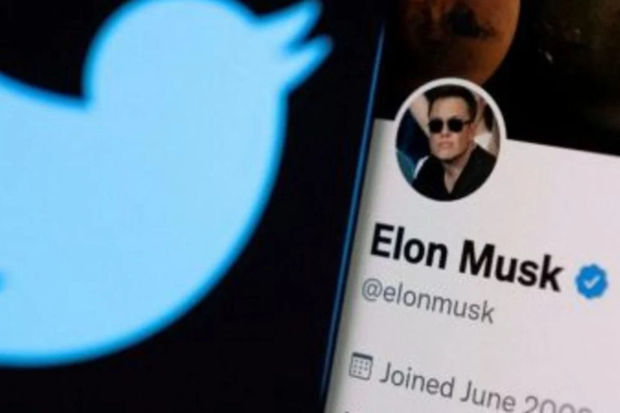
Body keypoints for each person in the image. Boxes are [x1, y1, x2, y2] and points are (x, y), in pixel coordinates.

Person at [412, 85, 496, 200]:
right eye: (436, 125)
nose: (444, 132)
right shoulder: (428, 168)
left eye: (455, 125)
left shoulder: (489, 166)